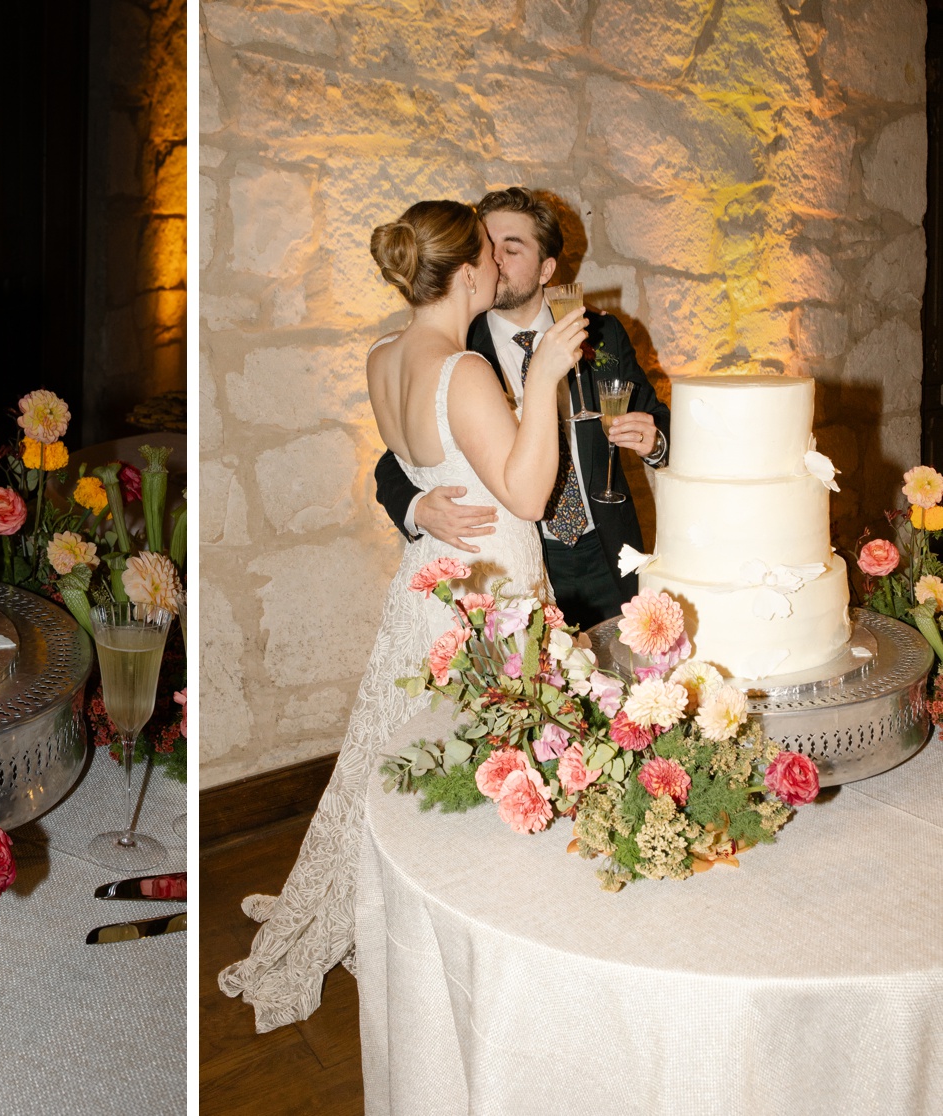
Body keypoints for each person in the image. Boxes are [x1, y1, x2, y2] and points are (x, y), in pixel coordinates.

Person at [217, 199, 588, 1032]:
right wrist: (545, 383)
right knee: (488, 754)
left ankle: (429, 907)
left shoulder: (386, 354)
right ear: (465, 274)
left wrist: (421, 507)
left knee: (416, 753)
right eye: (489, 255)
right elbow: (527, 494)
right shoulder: (465, 371)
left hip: (429, 579)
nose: (499, 265)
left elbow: (420, 460)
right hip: (488, 585)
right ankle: (471, 929)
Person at [373, 187, 671, 629]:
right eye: (487, 248)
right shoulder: (459, 351)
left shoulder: (601, 333)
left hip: (605, 549)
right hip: (521, 562)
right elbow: (395, 461)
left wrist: (655, 441)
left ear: (547, 268)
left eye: (510, 250)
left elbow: (659, 416)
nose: (494, 261)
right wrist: (417, 508)